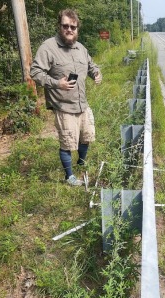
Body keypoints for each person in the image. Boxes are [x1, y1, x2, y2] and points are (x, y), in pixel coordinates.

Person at [30, 9, 102, 186]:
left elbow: (92, 66)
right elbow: (35, 72)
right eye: (66, 26)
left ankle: (81, 163)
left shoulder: (81, 48)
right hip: (63, 106)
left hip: (82, 104)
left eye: (73, 27)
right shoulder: (49, 47)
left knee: (87, 136)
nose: (70, 30)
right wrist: (56, 83)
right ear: (59, 26)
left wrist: (97, 74)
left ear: (77, 29)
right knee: (68, 142)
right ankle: (69, 177)